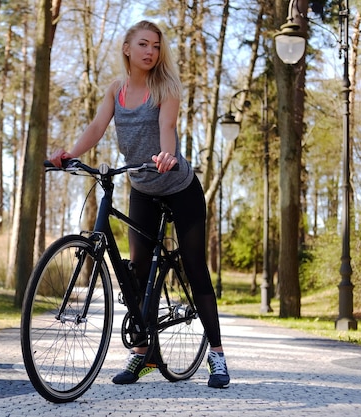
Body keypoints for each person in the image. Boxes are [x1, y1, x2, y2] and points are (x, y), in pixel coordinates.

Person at [49, 20, 230, 389]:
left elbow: (168, 126)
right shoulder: (116, 89)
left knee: (195, 265)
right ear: (127, 49)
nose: (151, 51)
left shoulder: (166, 87)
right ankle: (144, 353)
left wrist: (167, 154)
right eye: (144, 44)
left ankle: (217, 354)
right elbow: (98, 126)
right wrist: (70, 153)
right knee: (137, 267)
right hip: (143, 186)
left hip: (179, 186)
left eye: (156, 46)